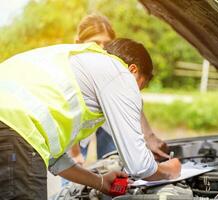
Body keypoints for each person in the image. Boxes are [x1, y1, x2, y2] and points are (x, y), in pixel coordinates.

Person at [0, 38, 181, 199]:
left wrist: (99, 182)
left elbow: (55, 160)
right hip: (15, 128)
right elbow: (139, 166)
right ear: (133, 70)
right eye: (139, 87)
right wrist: (170, 171)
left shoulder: (78, 63)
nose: (135, 93)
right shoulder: (119, 73)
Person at [70, 14, 170, 166]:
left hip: (108, 123)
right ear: (79, 43)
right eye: (95, 43)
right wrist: (75, 153)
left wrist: (149, 136)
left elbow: (130, 98)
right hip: (77, 129)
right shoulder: (75, 69)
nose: (101, 49)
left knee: (113, 167)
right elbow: (70, 117)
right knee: (73, 169)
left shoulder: (115, 68)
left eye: (107, 43)